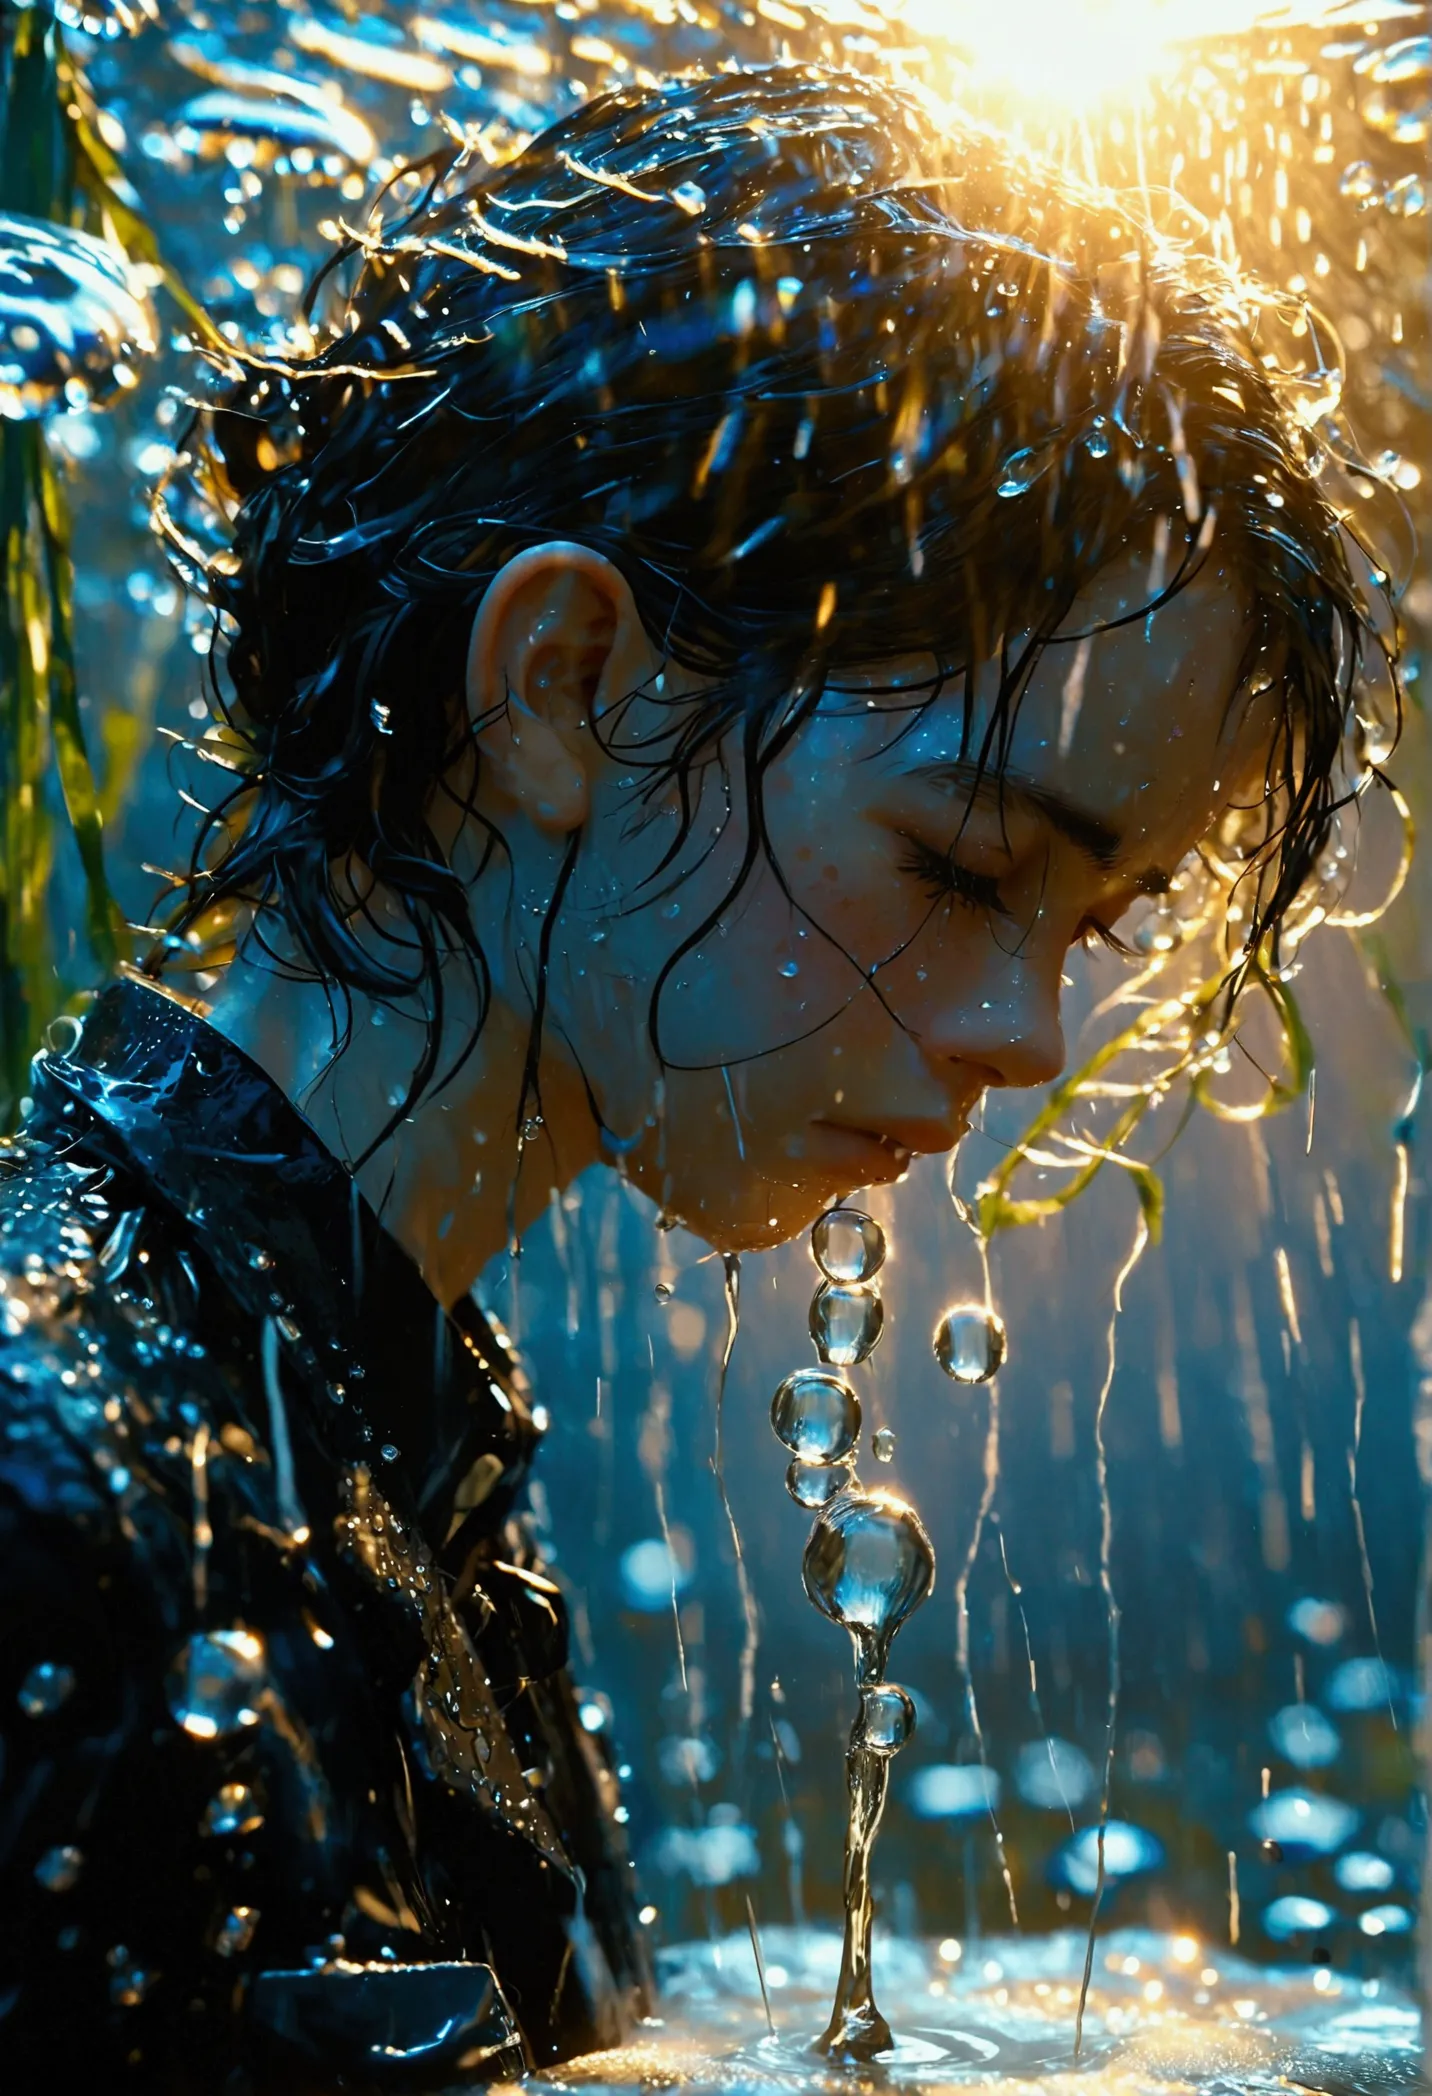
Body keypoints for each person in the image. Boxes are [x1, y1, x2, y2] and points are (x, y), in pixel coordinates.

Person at [0, 62, 1389, 2091]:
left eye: (1084, 928)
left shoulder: (347, 1443)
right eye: (968, 864)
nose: (1029, 1034)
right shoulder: (67, 1508)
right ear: (563, 686)